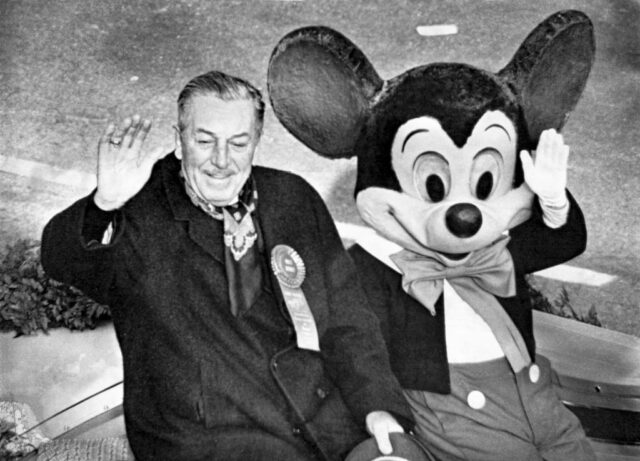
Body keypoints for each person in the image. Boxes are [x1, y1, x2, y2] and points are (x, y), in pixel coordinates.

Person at [41, 71, 414, 461]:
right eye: (204, 141)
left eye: (238, 143)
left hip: (319, 417)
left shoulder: (292, 197)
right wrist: (104, 202)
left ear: (256, 141)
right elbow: (61, 261)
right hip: (207, 438)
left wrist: (377, 407)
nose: (221, 161)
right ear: (178, 141)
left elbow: (346, 318)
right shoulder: (138, 211)